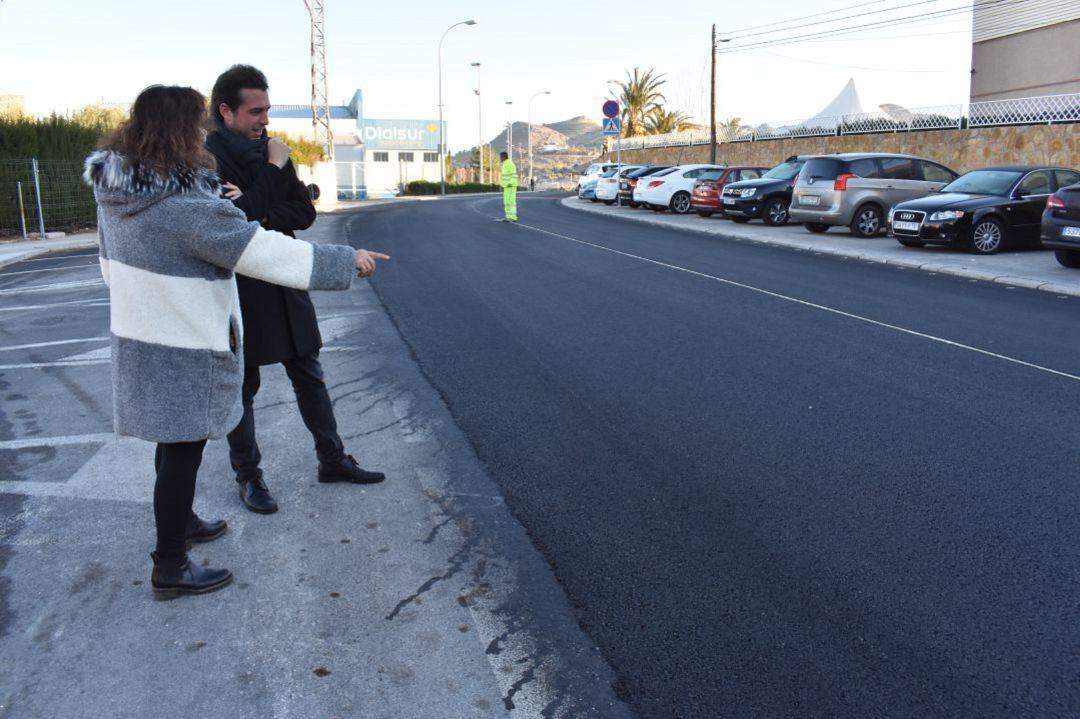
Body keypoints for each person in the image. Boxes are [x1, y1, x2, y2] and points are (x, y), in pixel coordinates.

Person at [85, 84, 388, 599]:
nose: (203, 134)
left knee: (172, 441)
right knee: (184, 450)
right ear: (180, 130)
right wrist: (345, 261)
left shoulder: (120, 194)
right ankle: (171, 566)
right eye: (195, 125)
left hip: (143, 334)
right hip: (185, 341)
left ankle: (179, 526)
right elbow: (260, 250)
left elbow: (108, 268)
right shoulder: (184, 203)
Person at [206, 65, 385, 516]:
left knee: (309, 372)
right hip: (240, 288)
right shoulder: (208, 162)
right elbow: (231, 223)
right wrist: (270, 176)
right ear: (225, 111)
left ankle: (333, 459)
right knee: (242, 387)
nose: (264, 120)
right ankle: (249, 477)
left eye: (266, 110)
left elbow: (303, 213)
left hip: (285, 278)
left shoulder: (273, 153)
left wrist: (259, 210)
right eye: (255, 111)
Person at [499, 151, 518, 222]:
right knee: (506, 202)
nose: (499, 158)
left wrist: (510, 183)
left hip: (511, 186)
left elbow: (514, 174)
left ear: (504, 157)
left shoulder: (510, 163)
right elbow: (503, 177)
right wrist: (501, 185)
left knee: (511, 202)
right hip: (506, 187)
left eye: (500, 157)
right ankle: (508, 217)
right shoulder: (504, 164)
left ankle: (513, 217)